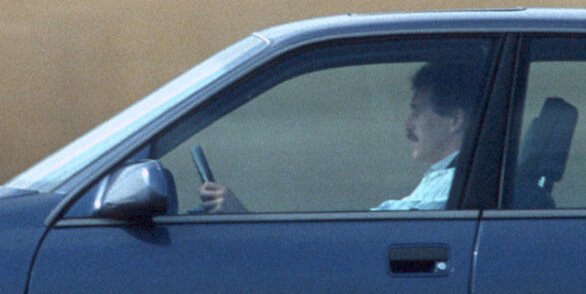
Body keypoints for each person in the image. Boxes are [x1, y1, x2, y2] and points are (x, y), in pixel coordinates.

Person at [197, 59, 479, 214]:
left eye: (417, 112)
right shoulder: (455, 182)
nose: (408, 124)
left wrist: (245, 222)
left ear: (454, 120)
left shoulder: (451, 189)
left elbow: (372, 231)